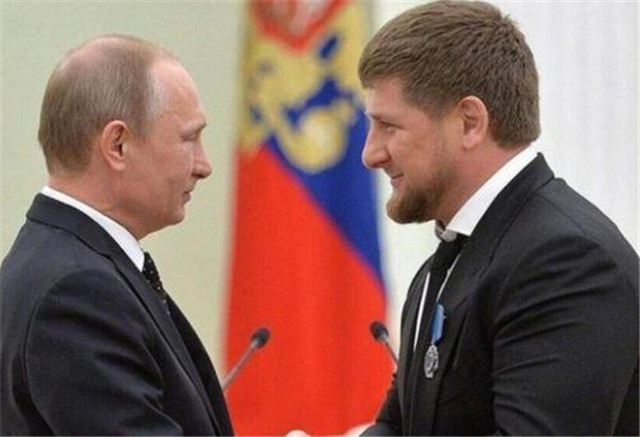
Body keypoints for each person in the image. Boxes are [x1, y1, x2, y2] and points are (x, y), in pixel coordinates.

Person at [358, 1, 639, 435]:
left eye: (388, 126)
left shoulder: (567, 262)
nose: (371, 154)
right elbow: (396, 428)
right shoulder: (449, 260)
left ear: (470, 122)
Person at [0, 34, 234, 435]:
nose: (204, 165)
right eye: (189, 138)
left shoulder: (63, 263)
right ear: (118, 145)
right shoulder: (76, 293)